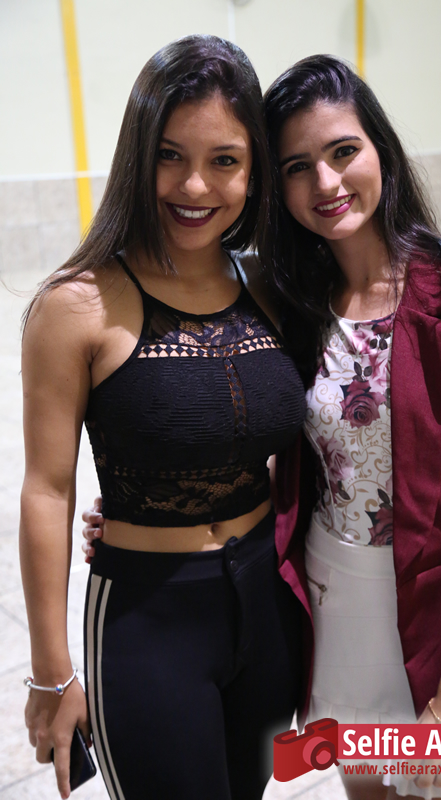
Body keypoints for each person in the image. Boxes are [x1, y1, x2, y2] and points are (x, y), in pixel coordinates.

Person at [19, 36, 307, 800]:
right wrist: (51, 674)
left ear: (253, 170)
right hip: (147, 618)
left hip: (266, 602)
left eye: (224, 160)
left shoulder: (271, 289)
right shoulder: (76, 305)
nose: (194, 185)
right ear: (136, 156)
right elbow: (46, 490)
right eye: (169, 155)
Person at [262, 55, 441, 800]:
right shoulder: (295, 301)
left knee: (436, 790)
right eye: (297, 167)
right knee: (366, 787)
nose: (325, 182)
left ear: (379, 148)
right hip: (335, 599)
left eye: (342, 150)